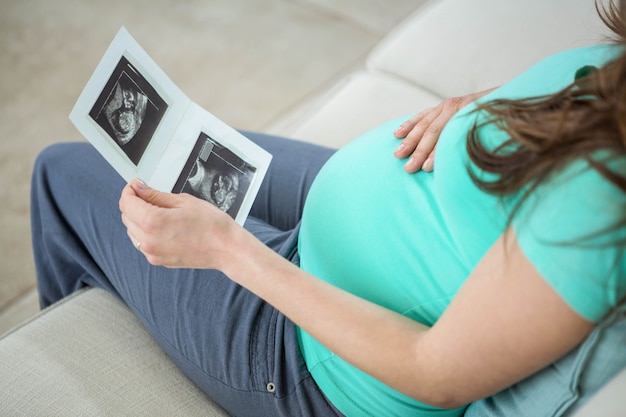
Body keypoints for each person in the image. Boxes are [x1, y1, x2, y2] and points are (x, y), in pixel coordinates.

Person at [31, 1, 626, 416]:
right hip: (385, 205)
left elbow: (433, 372)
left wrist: (227, 249)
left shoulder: (601, 208)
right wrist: (489, 109)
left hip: (323, 364)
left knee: (61, 174)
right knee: (166, 149)